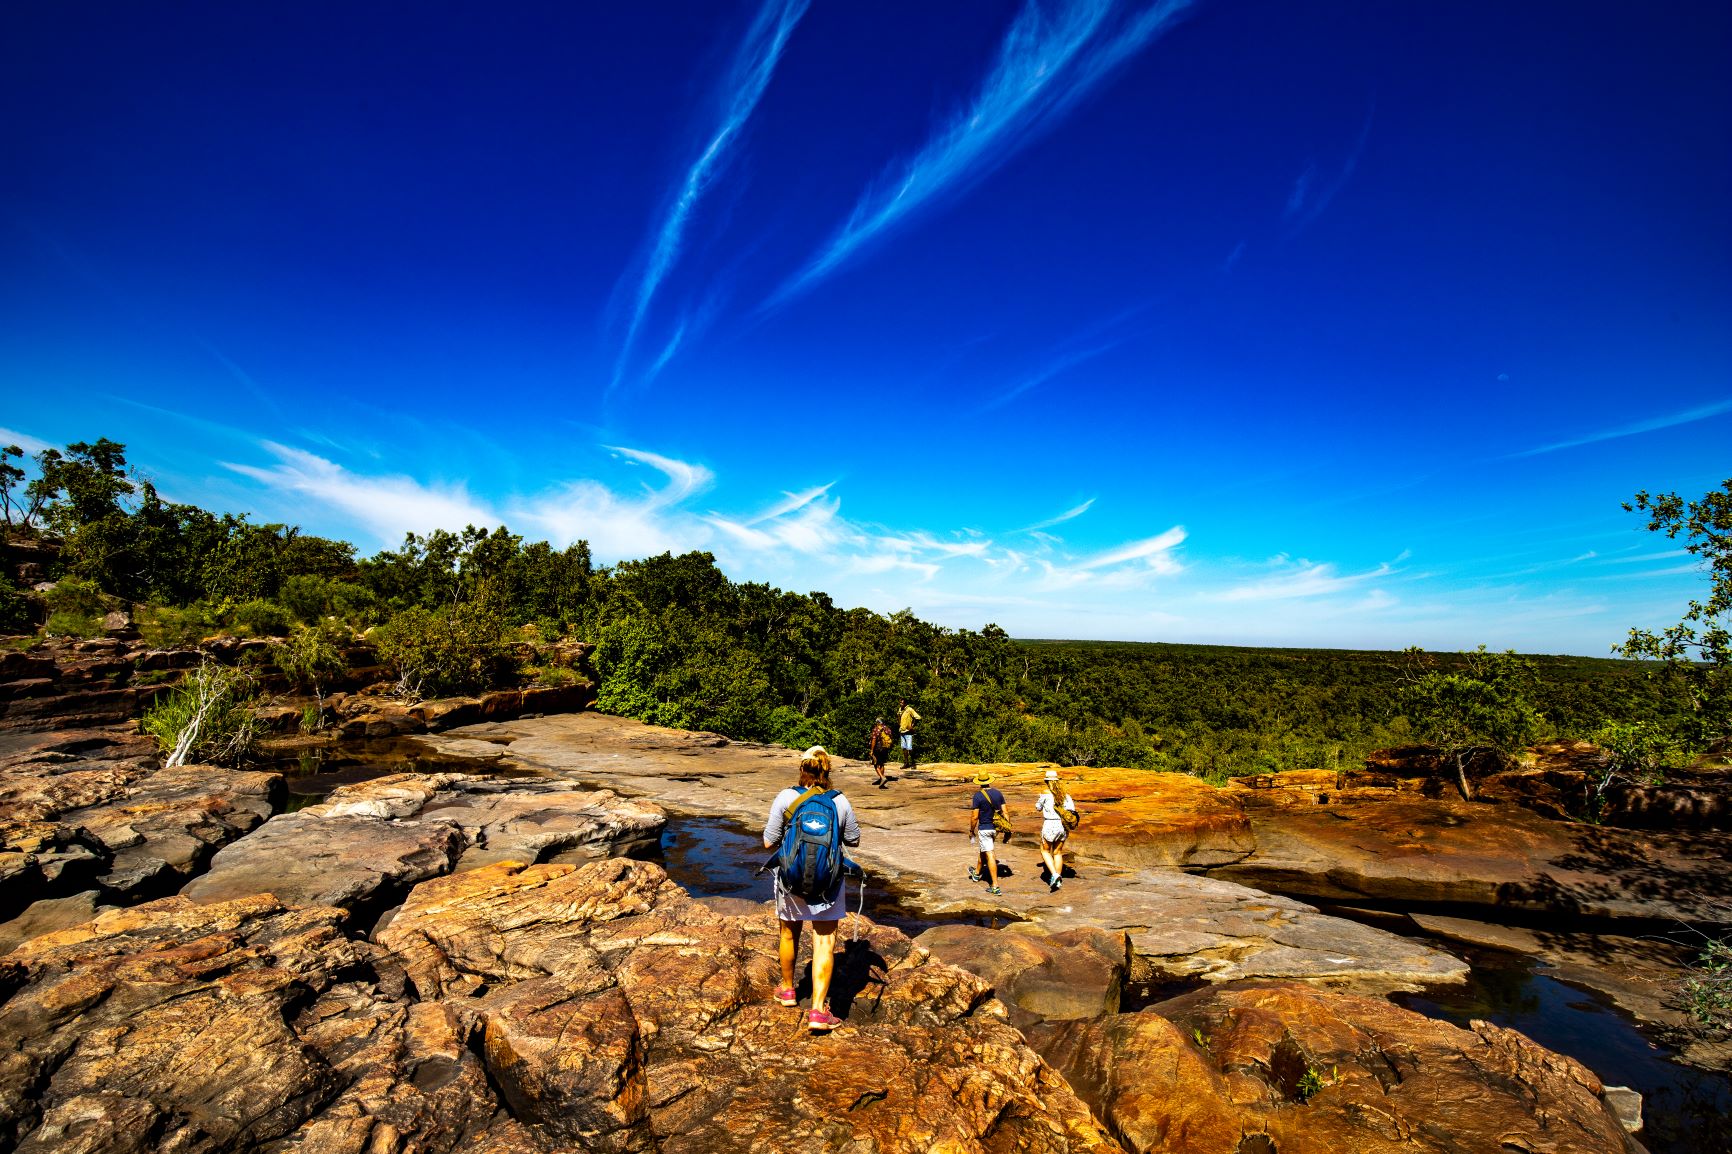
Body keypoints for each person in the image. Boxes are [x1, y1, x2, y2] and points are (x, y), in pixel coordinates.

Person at [762, 745, 861, 1032]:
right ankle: (818, 1011)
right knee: (824, 942)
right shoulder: (839, 801)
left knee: (788, 932)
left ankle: (788, 991)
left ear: (802, 769)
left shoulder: (786, 797)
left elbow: (769, 842)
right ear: (828, 772)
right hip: (828, 882)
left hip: (790, 880)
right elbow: (853, 840)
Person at [1034, 768, 1077, 891]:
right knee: (1057, 852)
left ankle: (1054, 875)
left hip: (1049, 824)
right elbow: (1071, 810)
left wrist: (1040, 798)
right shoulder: (1066, 795)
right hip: (1062, 825)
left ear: (1047, 782)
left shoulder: (1045, 794)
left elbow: (1037, 807)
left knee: (1045, 851)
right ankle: (1058, 880)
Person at [967, 772, 1006, 895]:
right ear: (989, 781)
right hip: (995, 828)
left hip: (984, 828)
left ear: (979, 782)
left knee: (989, 854)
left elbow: (974, 817)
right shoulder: (998, 793)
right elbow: (1005, 812)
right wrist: (1007, 828)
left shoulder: (978, 796)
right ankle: (977, 874)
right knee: (984, 850)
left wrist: (971, 830)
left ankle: (995, 886)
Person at [867, 717, 893, 787]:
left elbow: (874, 740)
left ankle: (882, 777)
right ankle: (880, 779)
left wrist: (872, 750)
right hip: (885, 748)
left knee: (875, 763)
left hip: (878, 748)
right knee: (881, 763)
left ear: (878, 722)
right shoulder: (887, 729)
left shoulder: (876, 729)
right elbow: (890, 737)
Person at [897, 698, 922, 770]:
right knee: (904, 748)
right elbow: (898, 716)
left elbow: (918, 717)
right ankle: (906, 763)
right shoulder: (900, 709)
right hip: (902, 731)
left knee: (909, 748)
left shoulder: (909, 709)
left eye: (902, 702)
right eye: (900, 702)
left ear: (905, 703)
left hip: (908, 732)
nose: (900, 703)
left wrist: (912, 725)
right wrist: (900, 724)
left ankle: (913, 763)